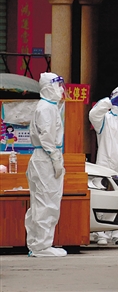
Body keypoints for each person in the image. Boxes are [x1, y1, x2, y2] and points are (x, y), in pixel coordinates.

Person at [25, 72, 67, 257]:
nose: (61, 90)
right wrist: (55, 158)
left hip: (42, 157)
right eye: (58, 86)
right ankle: (42, 246)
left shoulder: (47, 106)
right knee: (47, 202)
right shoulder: (46, 109)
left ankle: (36, 243)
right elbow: (47, 137)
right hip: (46, 158)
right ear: (49, 87)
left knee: (39, 202)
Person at [89, 86, 118, 245]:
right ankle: (102, 233)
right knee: (105, 198)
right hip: (106, 164)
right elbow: (93, 114)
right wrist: (109, 102)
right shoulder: (105, 119)